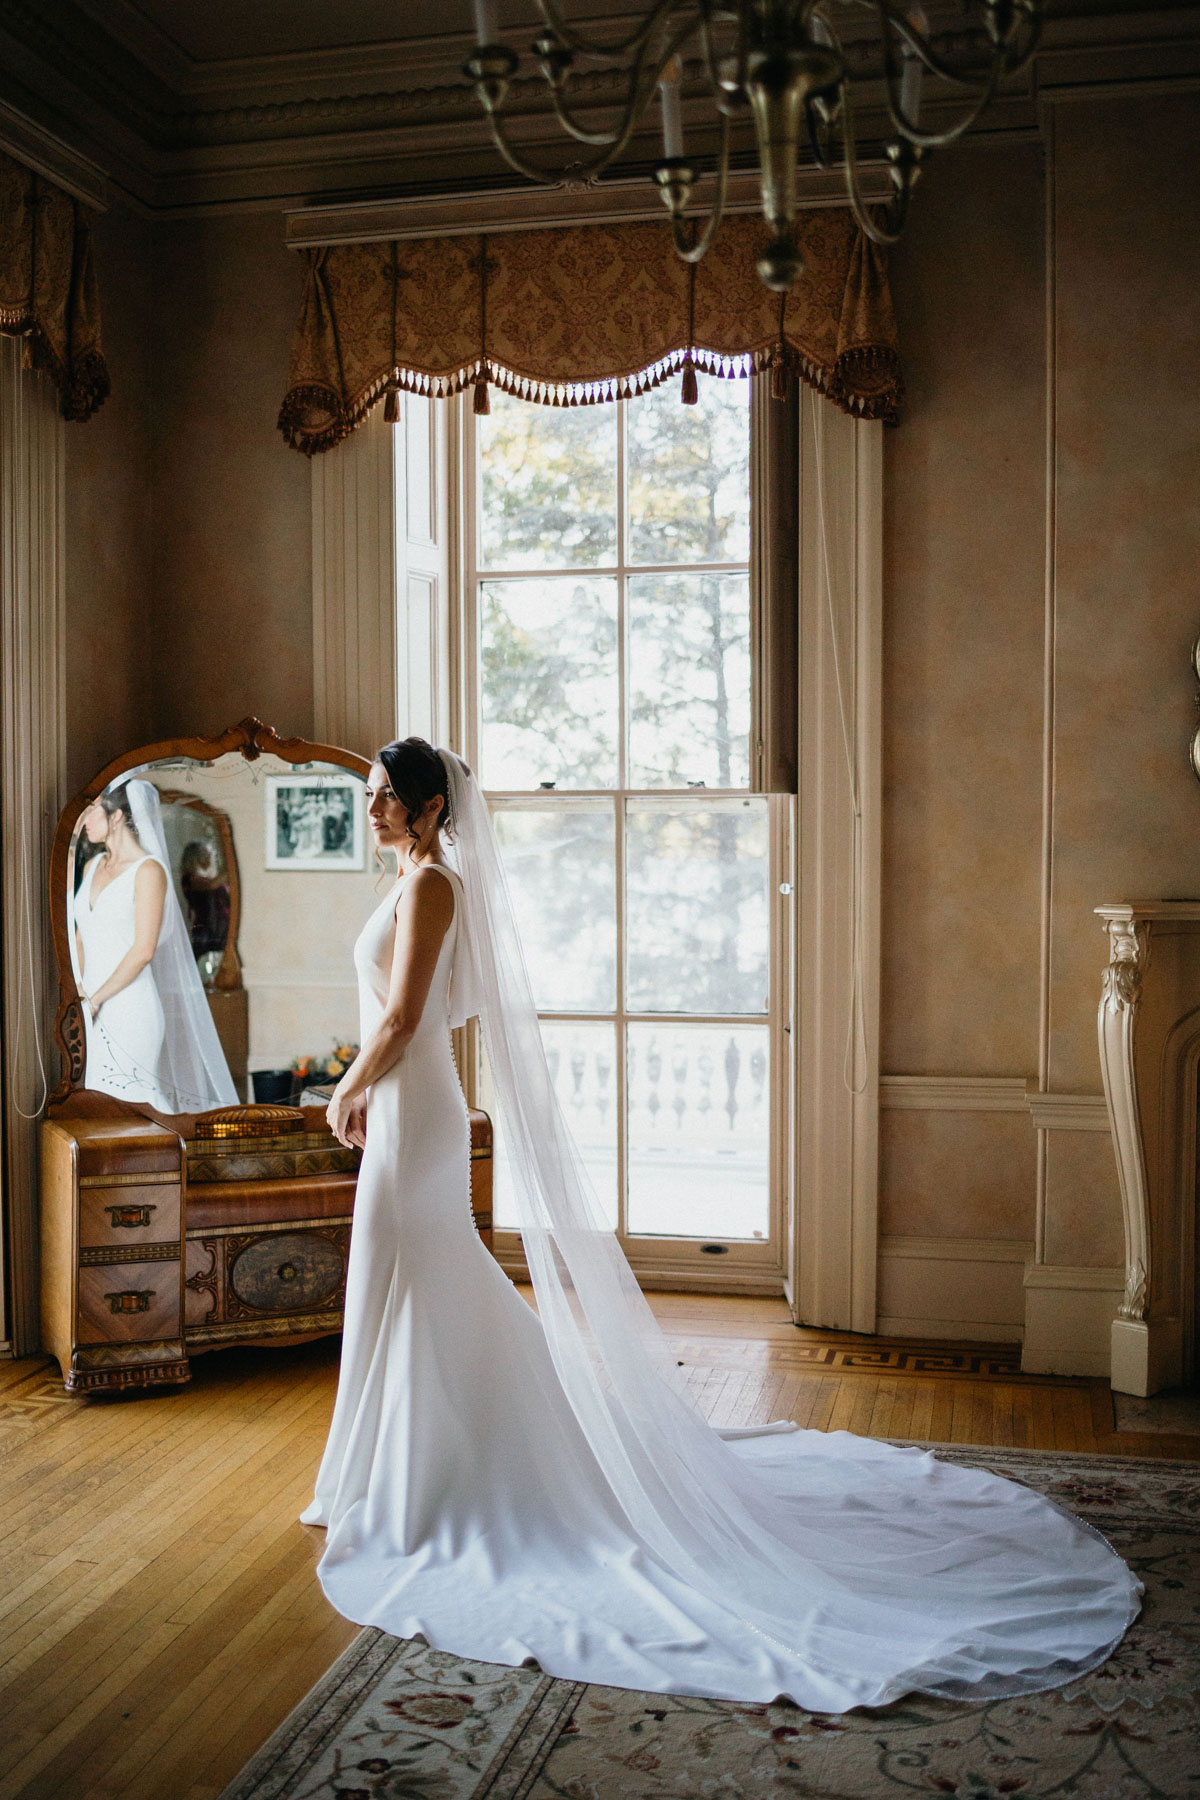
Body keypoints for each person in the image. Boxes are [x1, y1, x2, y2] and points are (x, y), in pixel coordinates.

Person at [302, 737, 1140, 1711]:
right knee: (410, 1285)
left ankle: (453, 1479)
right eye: (369, 795)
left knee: (428, 1279)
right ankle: (389, 1472)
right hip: (407, 1107)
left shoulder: (433, 886)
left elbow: (405, 1019)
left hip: (415, 1110)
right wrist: (369, 1083)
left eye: (384, 797)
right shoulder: (413, 880)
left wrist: (343, 1088)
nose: (370, 810)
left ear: (431, 807)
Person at [72, 779, 239, 1114]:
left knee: (136, 1106)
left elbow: (143, 950)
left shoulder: (148, 871)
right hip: (86, 1002)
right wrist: (78, 987)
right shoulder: (91, 867)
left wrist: (96, 998)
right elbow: (80, 934)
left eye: (90, 812)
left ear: (117, 815)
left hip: (129, 1006)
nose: (84, 821)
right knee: (94, 1107)